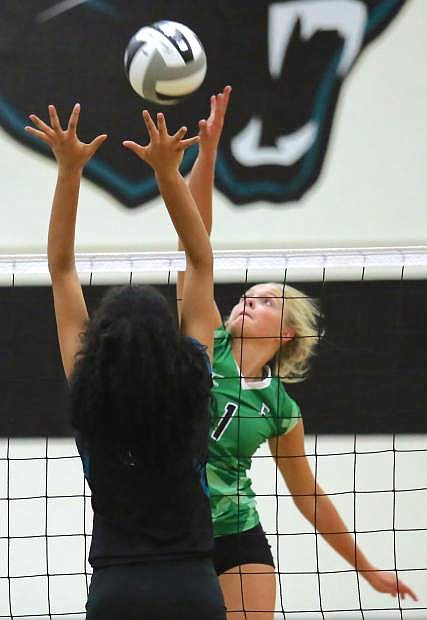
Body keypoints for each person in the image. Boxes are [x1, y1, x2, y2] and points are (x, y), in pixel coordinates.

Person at [177, 86, 418, 619]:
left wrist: (368, 569)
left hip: (236, 530)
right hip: (174, 527)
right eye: (248, 295)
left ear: (285, 333)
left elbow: (308, 496)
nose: (247, 301)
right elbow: (196, 249)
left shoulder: (281, 410)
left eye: (264, 301)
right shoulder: (205, 342)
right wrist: (209, 150)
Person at [25, 104, 226, 620]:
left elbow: (62, 271)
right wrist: (167, 174)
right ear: (169, 342)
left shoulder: (90, 394)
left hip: (118, 591)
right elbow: (200, 262)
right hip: (193, 588)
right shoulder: (192, 385)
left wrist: (69, 172)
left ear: (103, 347)